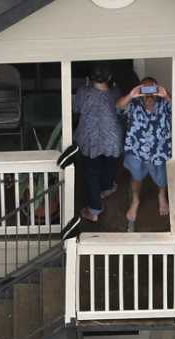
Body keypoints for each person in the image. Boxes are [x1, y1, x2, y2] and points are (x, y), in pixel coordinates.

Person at [117, 77, 172, 228]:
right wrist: (131, 94)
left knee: (161, 178)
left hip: (159, 152)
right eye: (145, 89)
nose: (148, 94)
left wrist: (166, 95)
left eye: (152, 89)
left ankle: (162, 196)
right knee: (136, 178)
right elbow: (118, 107)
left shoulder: (164, 103)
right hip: (136, 151)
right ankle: (135, 200)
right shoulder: (134, 104)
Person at [73, 67, 123, 224]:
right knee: (110, 164)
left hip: (90, 137)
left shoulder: (83, 91)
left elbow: (76, 109)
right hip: (112, 136)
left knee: (91, 173)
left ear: (91, 78)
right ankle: (106, 188)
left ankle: (94, 209)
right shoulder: (116, 92)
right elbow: (122, 111)